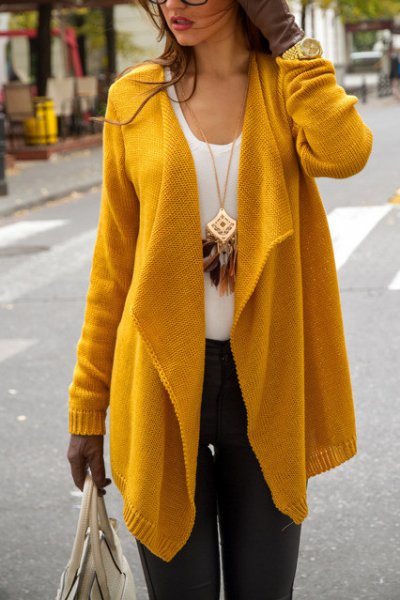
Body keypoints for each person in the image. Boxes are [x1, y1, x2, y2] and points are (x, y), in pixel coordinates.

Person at [66, 0, 373, 597]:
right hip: (158, 381)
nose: (174, 5)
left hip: (268, 380)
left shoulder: (284, 86)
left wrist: (288, 37)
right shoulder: (135, 98)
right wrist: (87, 410)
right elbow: (112, 269)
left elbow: (345, 153)